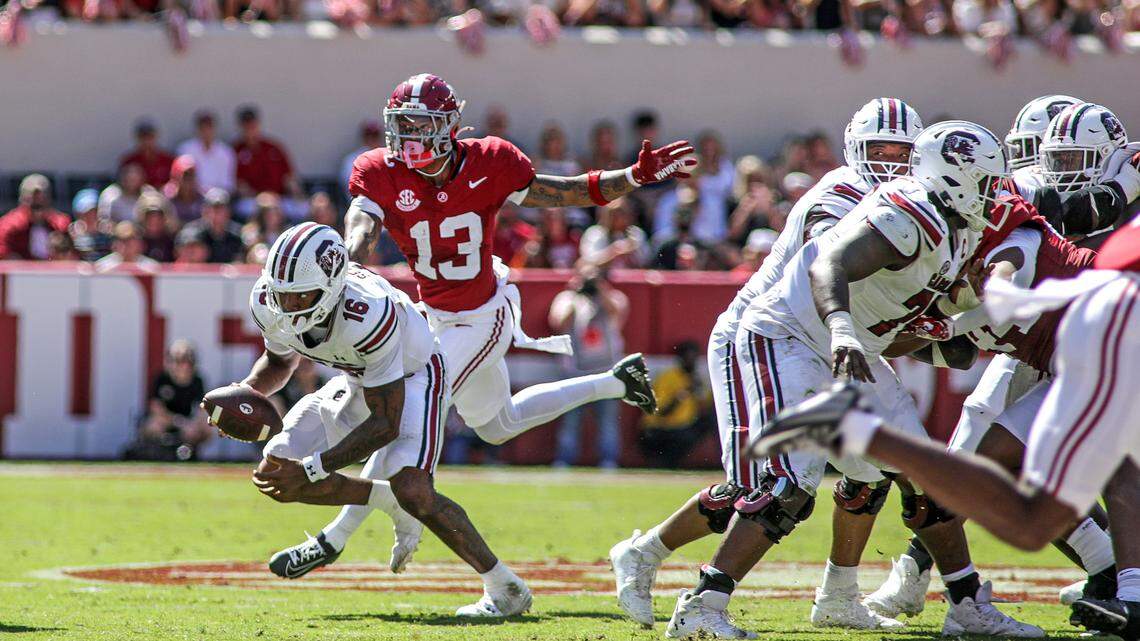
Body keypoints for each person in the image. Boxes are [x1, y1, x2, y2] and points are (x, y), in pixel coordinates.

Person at [275, 73, 691, 579]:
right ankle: (615, 382)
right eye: (401, 126)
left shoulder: (490, 161)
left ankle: (333, 538)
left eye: (419, 126)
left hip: (481, 314)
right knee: (498, 425)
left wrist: (631, 176)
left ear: (448, 128)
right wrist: (346, 256)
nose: (407, 138)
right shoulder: (379, 171)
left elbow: (564, 193)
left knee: (403, 408)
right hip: (432, 314)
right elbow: (363, 226)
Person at [662, 120, 1041, 639]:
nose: (995, 193)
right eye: (985, 180)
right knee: (787, 487)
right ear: (950, 177)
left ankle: (966, 604)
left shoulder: (960, 228)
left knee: (930, 475)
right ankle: (701, 608)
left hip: (853, 348)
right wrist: (842, 330)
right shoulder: (911, 214)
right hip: (789, 336)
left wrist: (953, 334)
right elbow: (828, 266)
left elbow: (916, 331)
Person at [609, 97, 923, 631]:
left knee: (871, 470)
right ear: (854, 151)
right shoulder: (842, 195)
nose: (891, 161)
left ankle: (839, 595)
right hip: (761, 337)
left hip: (832, 343)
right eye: (880, 149)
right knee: (766, 490)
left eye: (902, 151)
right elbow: (835, 274)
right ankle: (646, 556)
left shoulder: (908, 202)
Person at [752, 219, 1140, 640]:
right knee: (1002, 480)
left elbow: (1002, 287)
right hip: (1075, 369)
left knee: (1112, 473)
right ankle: (1117, 583)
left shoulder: (1015, 243)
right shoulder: (951, 269)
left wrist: (957, 316)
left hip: (1113, 352)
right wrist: (903, 329)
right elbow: (947, 348)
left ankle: (1126, 589)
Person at [220, 224, 531, 618]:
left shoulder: (368, 313)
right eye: (282, 294)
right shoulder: (269, 300)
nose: (289, 304)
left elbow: (386, 423)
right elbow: (281, 361)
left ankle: (504, 587)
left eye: (300, 294)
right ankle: (386, 501)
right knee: (275, 472)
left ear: (332, 285)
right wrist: (247, 393)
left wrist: (315, 468)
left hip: (414, 375)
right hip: (356, 376)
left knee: (414, 488)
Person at [548, 265, 628, 468]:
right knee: (570, 421)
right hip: (574, 371)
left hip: (607, 371)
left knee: (608, 421)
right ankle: (565, 459)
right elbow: (558, 322)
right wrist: (576, 294)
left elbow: (616, 313)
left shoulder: (614, 296)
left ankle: (609, 460)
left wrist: (600, 290)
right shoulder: (567, 298)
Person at [127, 340, 211, 461]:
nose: (182, 366)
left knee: (206, 428)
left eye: (186, 361)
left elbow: (202, 408)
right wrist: (180, 423)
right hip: (168, 422)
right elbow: (156, 409)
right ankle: (156, 454)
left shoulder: (197, 381)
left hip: (187, 424)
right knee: (154, 425)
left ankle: (190, 453)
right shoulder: (162, 379)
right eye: (178, 361)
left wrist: (194, 424)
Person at [639, 340, 710, 469]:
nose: (691, 361)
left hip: (681, 427)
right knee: (681, 437)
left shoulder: (696, 378)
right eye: (688, 357)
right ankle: (663, 465)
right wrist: (681, 396)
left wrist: (697, 392)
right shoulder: (669, 377)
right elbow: (661, 412)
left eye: (694, 358)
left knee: (707, 422)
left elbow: (704, 410)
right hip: (658, 428)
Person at [232, 105, 304, 221]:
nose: (251, 130)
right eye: (247, 126)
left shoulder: (273, 147)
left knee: (303, 208)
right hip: (253, 201)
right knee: (244, 208)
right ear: (241, 127)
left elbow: (289, 178)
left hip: (279, 199)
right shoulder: (236, 150)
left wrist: (297, 195)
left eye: (253, 125)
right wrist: (262, 198)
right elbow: (239, 185)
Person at [0, 174, 71, 260]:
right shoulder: (8, 226)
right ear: (21, 200)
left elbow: (74, 257)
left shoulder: (61, 224)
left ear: (49, 199)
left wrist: (62, 251)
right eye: (32, 201)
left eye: (42, 199)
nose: (37, 204)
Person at [177, 110, 236, 195]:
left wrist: (213, 194)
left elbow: (227, 183)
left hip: (219, 197)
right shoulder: (186, 150)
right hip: (193, 196)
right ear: (197, 129)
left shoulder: (226, 152)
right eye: (203, 128)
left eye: (209, 127)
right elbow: (183, 180)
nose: (206, 132)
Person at [579, 198, 649, 269]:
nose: (620, 219)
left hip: (632, 276)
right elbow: (588, 260)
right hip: (602, 276)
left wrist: (632, 250)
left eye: (623, 214)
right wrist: (614, 251)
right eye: (614, 215)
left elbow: (646, 261)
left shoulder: (635, 233)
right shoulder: (595, 233)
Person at [189, 188, 245, 263]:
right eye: (212, 208)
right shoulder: (193, 234)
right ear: (204, 211)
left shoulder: (237, 235)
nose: (215, 214)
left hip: (229, 274)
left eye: (220, 209)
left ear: (228, 211)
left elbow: (240, 261)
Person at [119, 118, 175, 188]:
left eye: (150, 137)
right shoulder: (129, 161)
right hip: (137, 198)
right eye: (143, 137)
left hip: (164, 197)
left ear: (156, 137)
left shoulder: (168, 160)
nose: (146, 142)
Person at [339, 119, 383, 200]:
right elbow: (348, 185)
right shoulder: (352, 159)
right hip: (359, 203)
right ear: (364, 138)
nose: (371, 140)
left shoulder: (386, 157)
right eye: (368, 136)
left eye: (375, 136)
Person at [69, 188, 113, 262]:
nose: (91, 215)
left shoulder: (108, 236)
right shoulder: (71, 237)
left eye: (94, 211)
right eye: (86, 213)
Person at [95, 221, 160, 272]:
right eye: (122, 240)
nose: (126, 245)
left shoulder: (151, 266)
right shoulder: (104, 265)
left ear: (139, 244)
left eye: (130, 239)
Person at [165, 155, 204, 224]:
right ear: (175, 178)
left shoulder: (203, 200)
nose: (188, 181)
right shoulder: (166, 200)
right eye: (185, 176)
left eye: (191, 176)